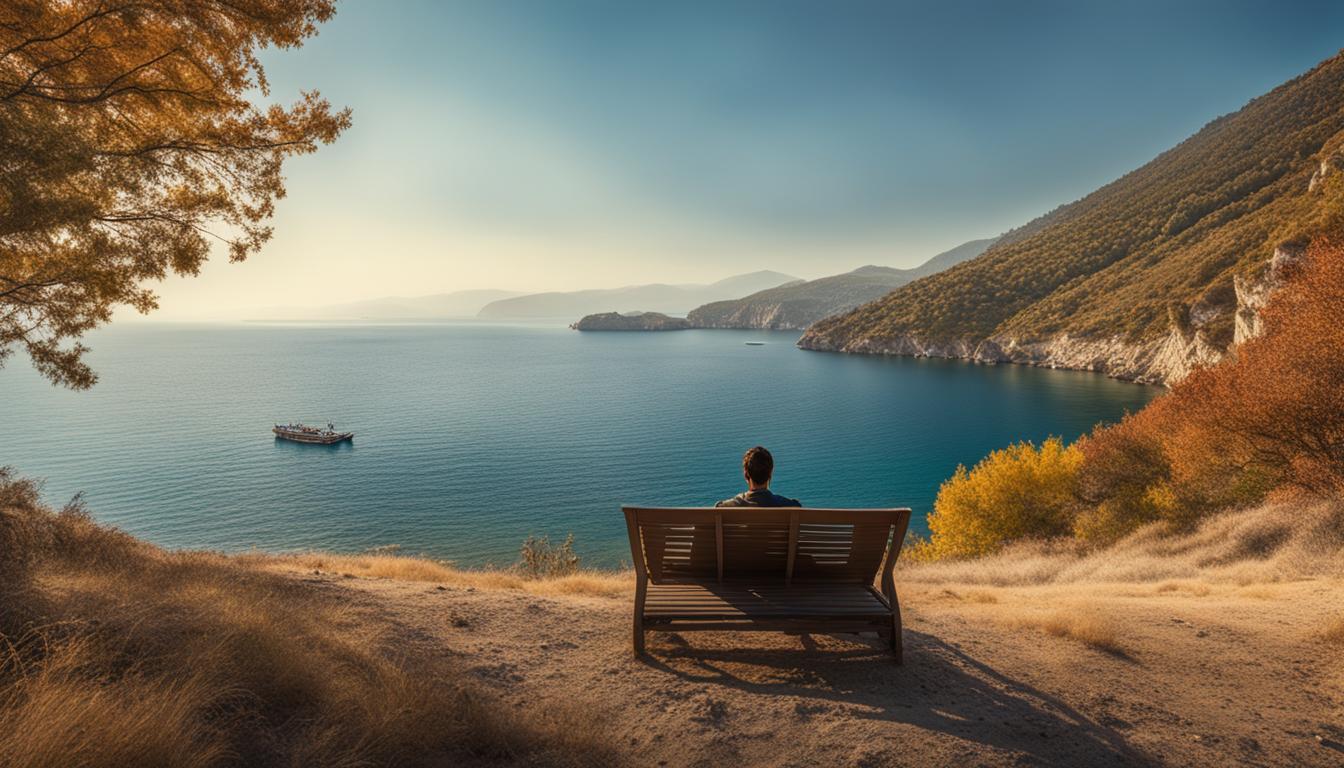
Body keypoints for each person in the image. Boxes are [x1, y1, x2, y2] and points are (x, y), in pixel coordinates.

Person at [716, 446, 801, 507]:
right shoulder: (791, 506)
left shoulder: (727, 507)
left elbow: (719, 506)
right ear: (770, 474)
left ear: (746, 475)